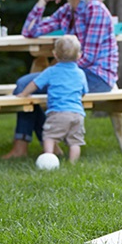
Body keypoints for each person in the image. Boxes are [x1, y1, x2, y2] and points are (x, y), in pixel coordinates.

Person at [2, 0, 118, 159]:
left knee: (27, 85)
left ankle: (30, 145)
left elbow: (88, 58)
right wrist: (43, 0)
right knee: (25, 84)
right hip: (73, 71)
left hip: (95, 77)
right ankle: (44, 145)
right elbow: (30, 31)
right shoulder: (68, 11)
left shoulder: (95, 10)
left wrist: (55, 73)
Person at [17, 35, 88, 163]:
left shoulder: (51, 71)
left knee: (49, 136)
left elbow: (35, 83)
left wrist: (24, 94)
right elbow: (84, 92)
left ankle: (48, 160)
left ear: (55, 54)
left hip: (58, 112)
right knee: (75, 142)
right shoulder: (80, 73)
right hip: (78, 114)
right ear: (79, 56)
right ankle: (73, 164)